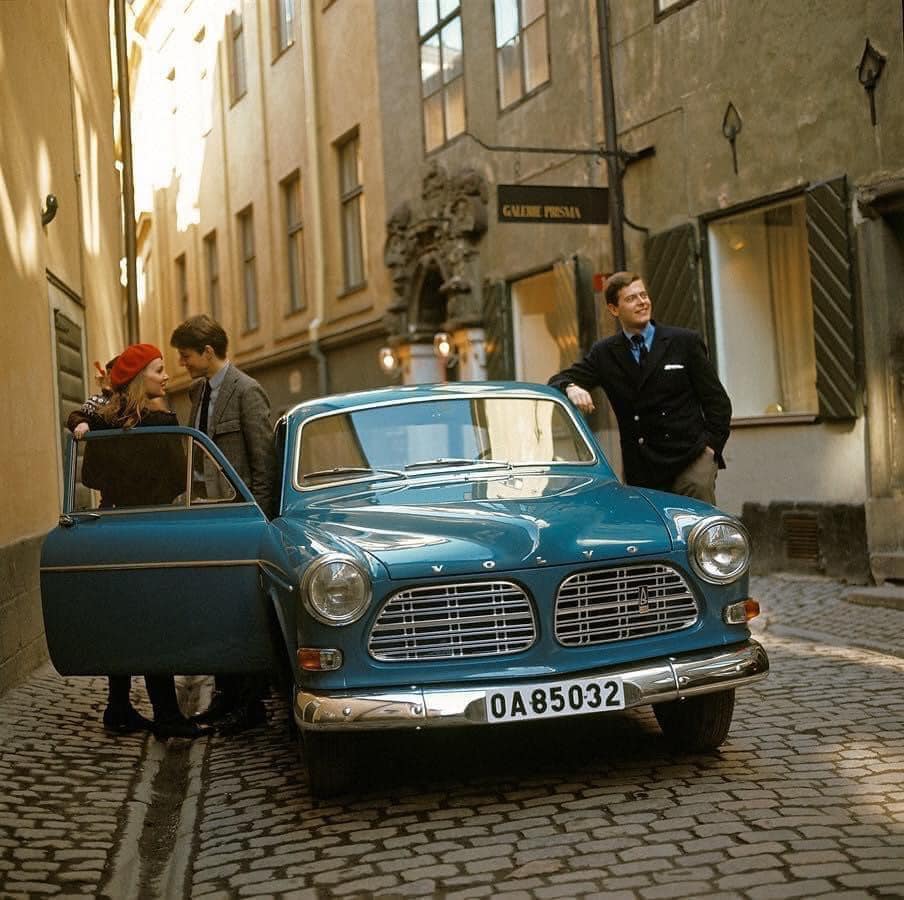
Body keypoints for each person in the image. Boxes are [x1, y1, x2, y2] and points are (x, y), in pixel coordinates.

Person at [76, 342, 211, 740]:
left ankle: (117, 708)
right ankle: (166, 715)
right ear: (139, 379)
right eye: (157, 370)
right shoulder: (165, 423)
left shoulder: (104, 423)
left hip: (114, 526)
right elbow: (178, 479)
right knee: (157, 622)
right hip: (154, 529)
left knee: (122, 618)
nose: (166, 375)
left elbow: (90, 477)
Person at [170, 315, 278, 734]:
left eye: (186, 355)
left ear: (208, 353)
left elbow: (263, 464)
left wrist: (261, 524)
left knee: (243, 612)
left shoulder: (247, 391)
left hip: (242, 521)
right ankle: (224, 697)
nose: (182, 363)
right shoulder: (199, 395)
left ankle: (250, 707)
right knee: (217, 611)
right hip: (210, 522)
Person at [548, 271, 732, 504]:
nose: (642, 301)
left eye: (643, 295)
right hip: (643, 469)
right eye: (631, 298)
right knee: (653, 535)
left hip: (691, 460)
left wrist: (709, 452)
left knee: (696, 532)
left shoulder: (684, 342)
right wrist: (571, 386)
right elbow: (558, 379)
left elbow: (718, 402)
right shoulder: (605, 353)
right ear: (614, 309)